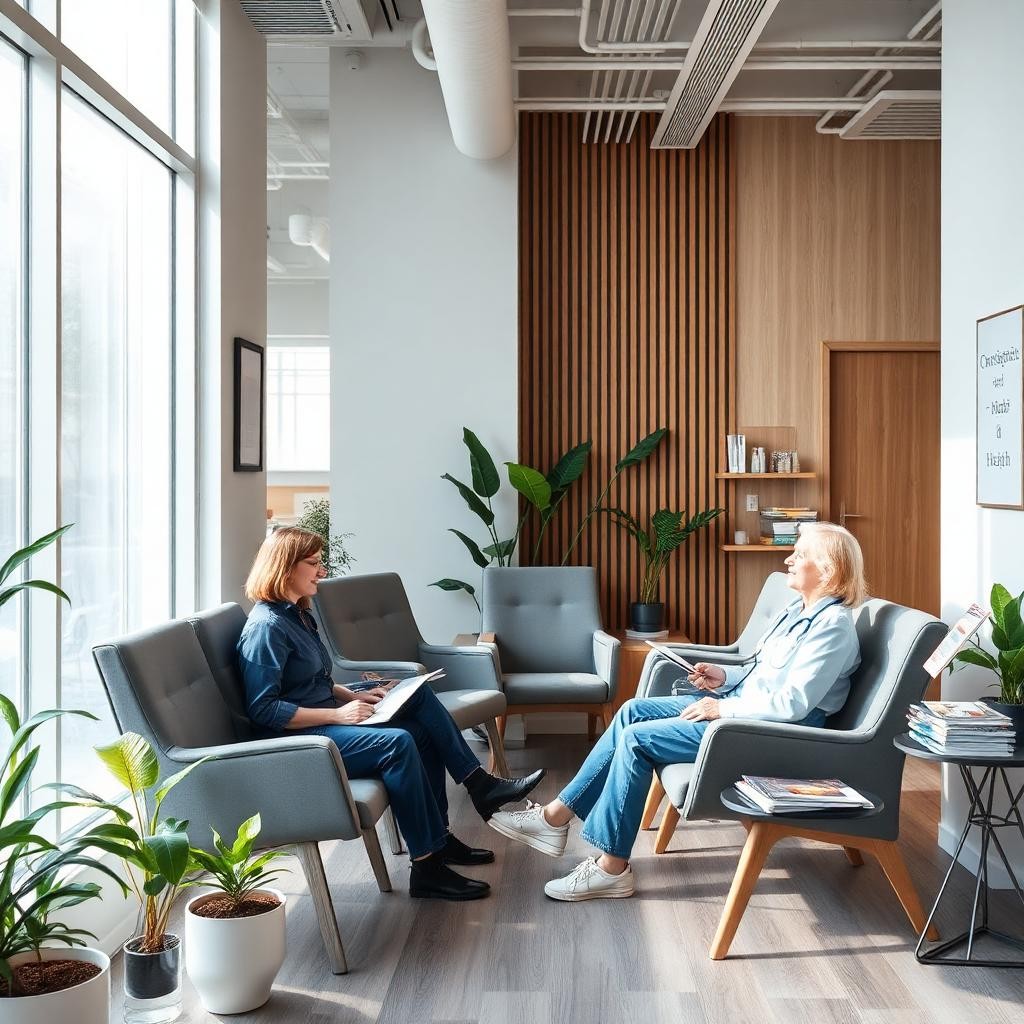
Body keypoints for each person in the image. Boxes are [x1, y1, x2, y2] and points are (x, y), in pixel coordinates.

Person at [488, 521, 866, 902]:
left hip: (769, 732)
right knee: (632, 712)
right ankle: (554, 818)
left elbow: (793, 705)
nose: (789, 559)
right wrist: (724, 675)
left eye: (799, 555)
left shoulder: (831, 628)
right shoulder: (796, 611)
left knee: (638, 741)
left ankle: (611, 869)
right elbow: (760, 668)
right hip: (744, 710)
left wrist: (723, 707)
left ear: (828, 570)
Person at [237, 527, 545, 902]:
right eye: (314, 563)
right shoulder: (266, 628)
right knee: (399, 743)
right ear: (285, 568)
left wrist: (350, 693)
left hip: (325, 715)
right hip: (301, 741)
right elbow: (263, 709)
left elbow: (310, 679)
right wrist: (338, 716)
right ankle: (427, 865)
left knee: (417, 707)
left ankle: (457, 815)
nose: (321, 571)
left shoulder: (298, 615)